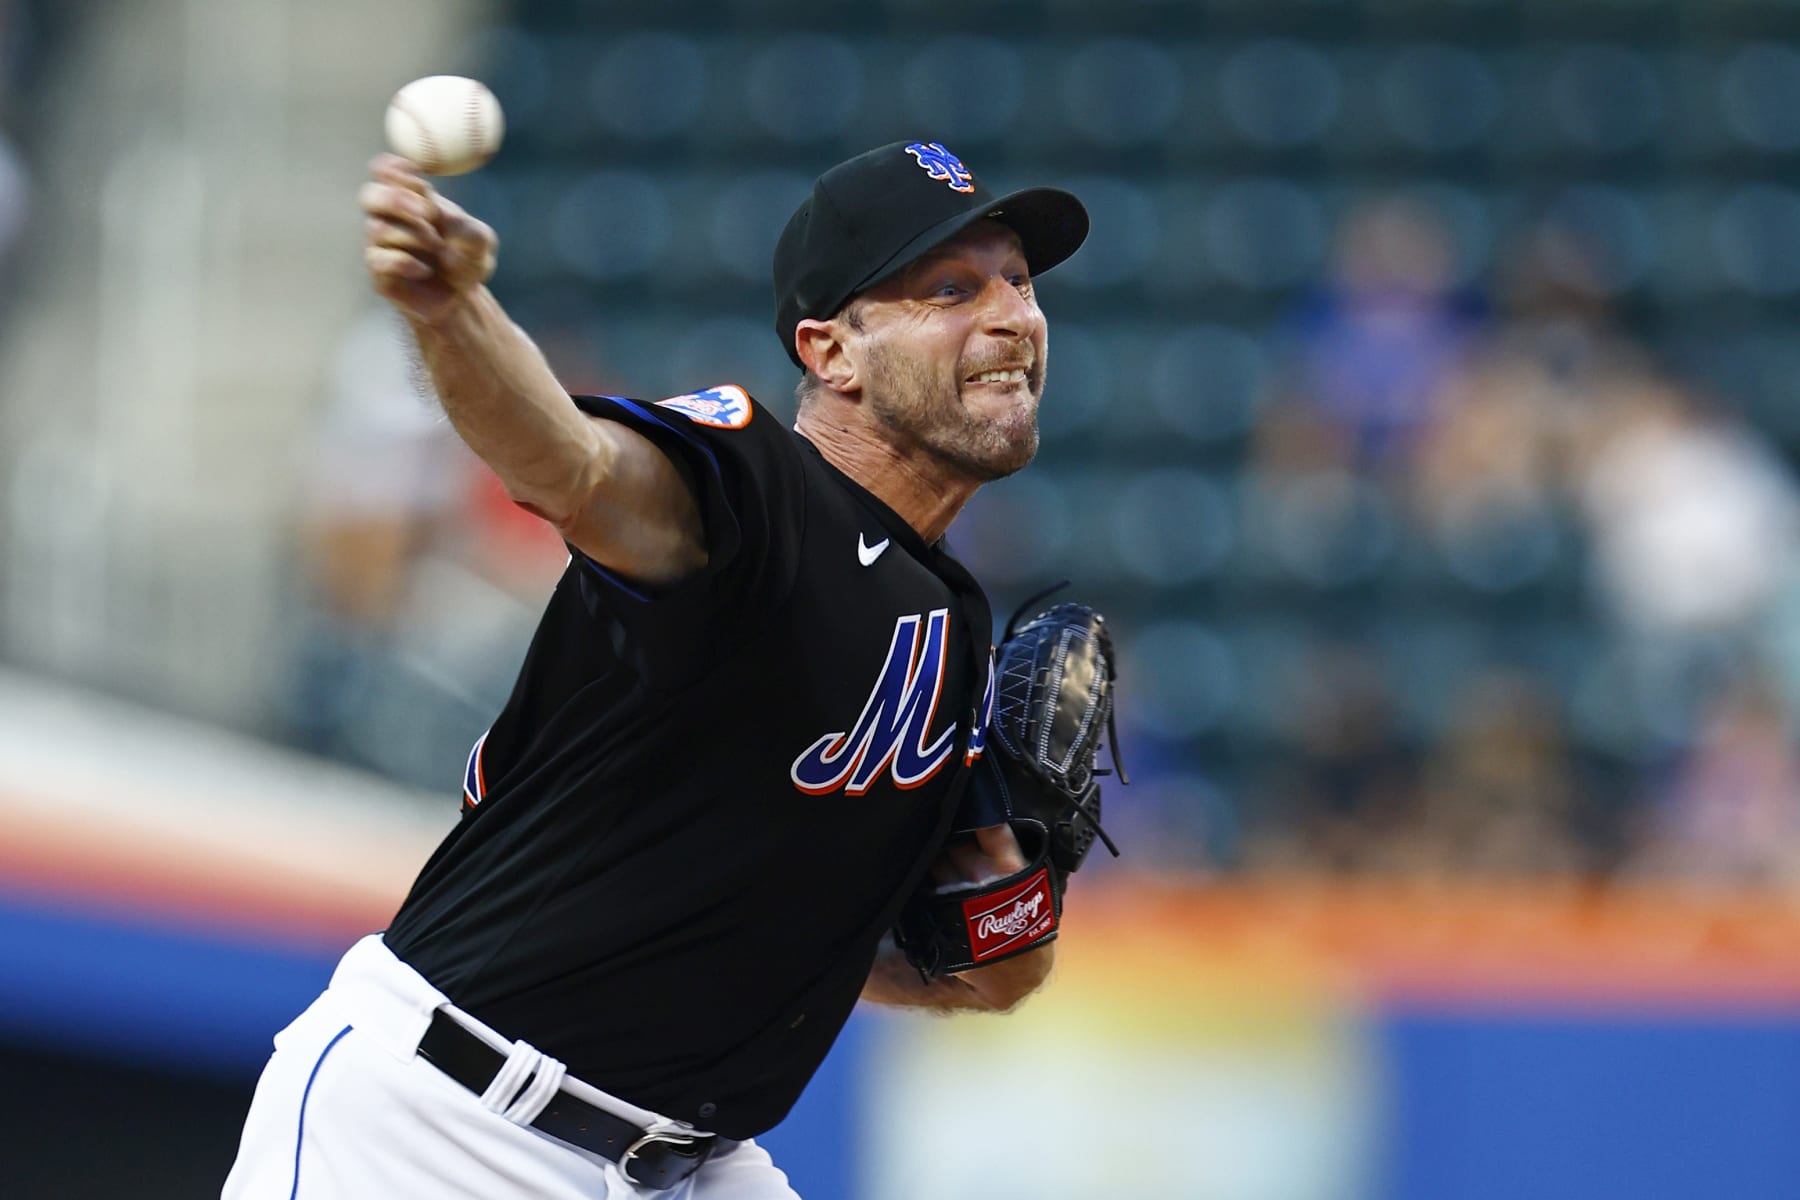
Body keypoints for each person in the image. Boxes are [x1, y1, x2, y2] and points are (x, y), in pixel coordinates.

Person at [222, 139, 1089, 1198]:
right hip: (449, 1128)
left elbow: (999, 976)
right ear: (832, 352)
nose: (1012, 315)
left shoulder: (953, 630)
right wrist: (453, 314)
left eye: (1019, 281)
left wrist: (1018, 890)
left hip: (696, 1167)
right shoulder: (756, 490)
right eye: (952, 288)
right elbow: (575, 469)